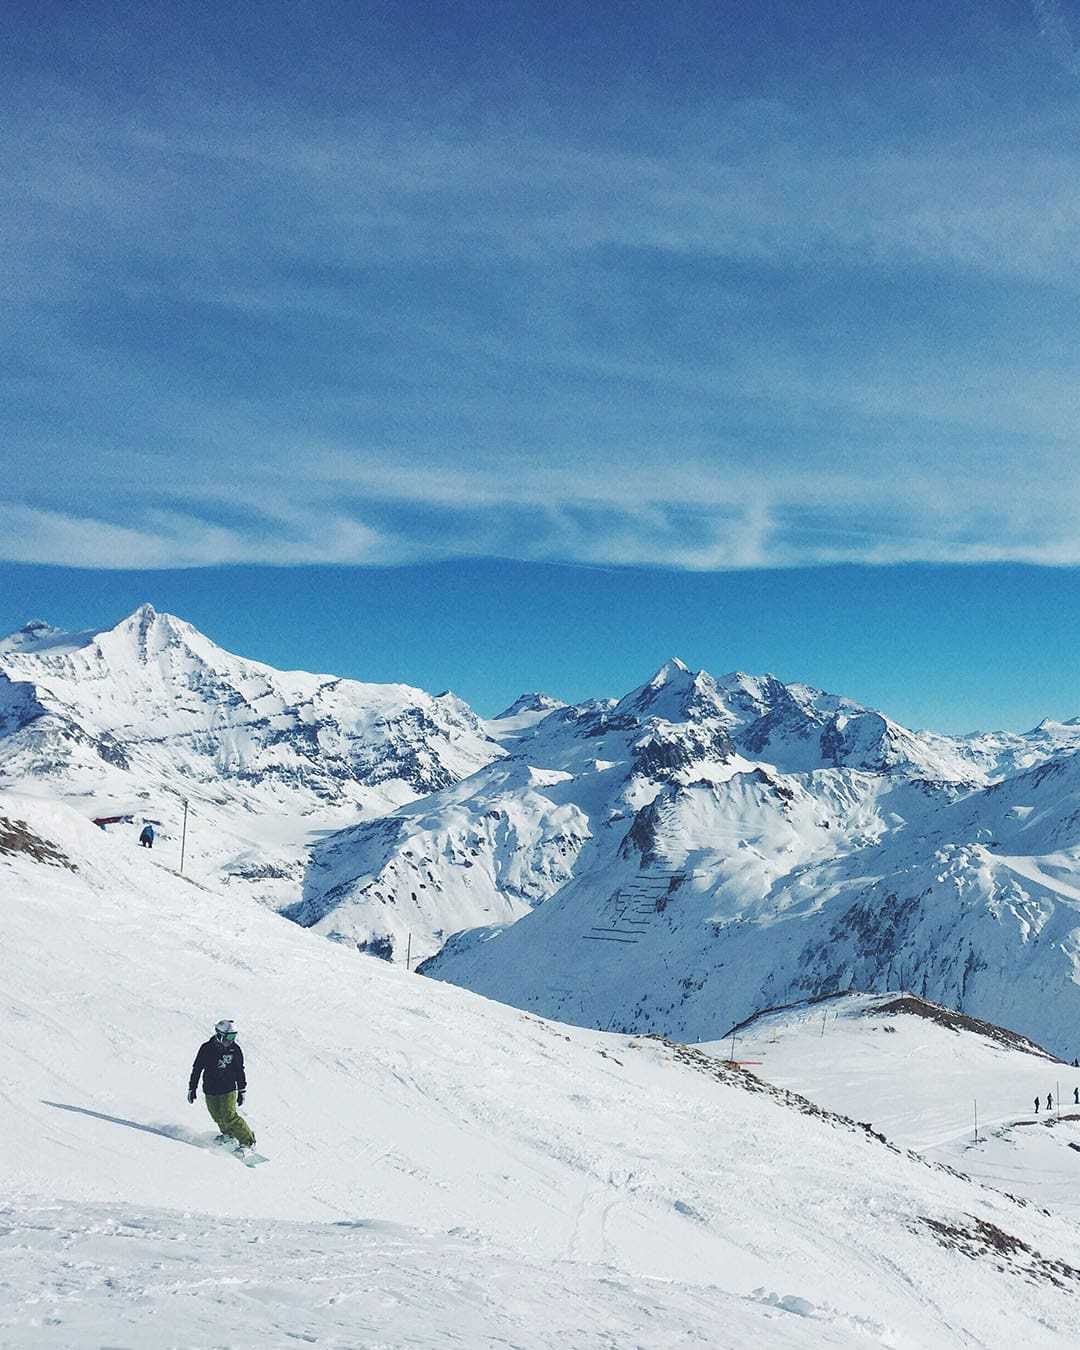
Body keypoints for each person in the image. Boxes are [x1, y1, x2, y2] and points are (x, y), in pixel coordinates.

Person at [188, 1019, 256, 1155]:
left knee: (229, 1116)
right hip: (210, 1089)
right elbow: (197, 1068)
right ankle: (228, 1136)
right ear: (219, 1035)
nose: (231, 1040)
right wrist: (192, 1088)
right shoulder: (206, 1048)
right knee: (217, 1115)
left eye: (234, 1036)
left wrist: (242, 1090)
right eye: (229, 1036)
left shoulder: (234, 1049)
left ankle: (248, 1142)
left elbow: (239, 1070)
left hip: (228, 1089)